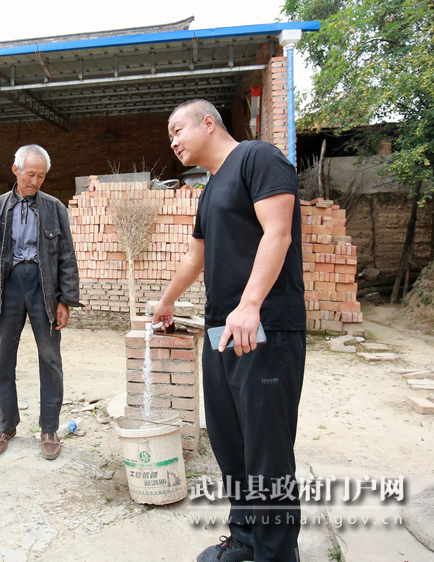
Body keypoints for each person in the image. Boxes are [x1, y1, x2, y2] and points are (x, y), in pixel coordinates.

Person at [153, 99, 305, 562]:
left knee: (266, 452)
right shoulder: (210, 188)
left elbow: (277, 233)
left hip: (264, 326)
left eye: (178, 129)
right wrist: (166, 300)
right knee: (230, 443)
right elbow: (195, 256)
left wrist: (251, 303)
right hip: (222, 330)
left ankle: (276, 555)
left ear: (208, 122)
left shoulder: (259, 158)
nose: (174, 141)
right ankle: (245, 540)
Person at [0, 145, 81, 461]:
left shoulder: (54, 208)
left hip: (43, 288)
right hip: (6, 289)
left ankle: (49, 428)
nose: (35, 181)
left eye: (41, 175)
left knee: (50, 359)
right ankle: (6, 426)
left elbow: (66, 255)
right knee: (1, 360)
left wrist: (65, 300)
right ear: (16, 170)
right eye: (30, 174)